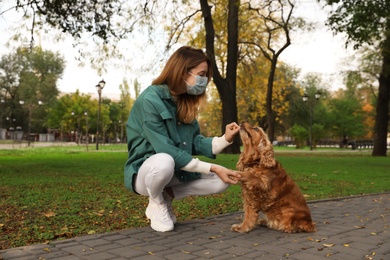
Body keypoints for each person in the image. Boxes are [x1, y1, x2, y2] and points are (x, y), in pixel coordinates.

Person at [124, 46, 241, 232]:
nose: (204, 81)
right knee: (164, 160)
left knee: (223, 180)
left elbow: (194, 142)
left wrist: (224, 139)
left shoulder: (185, 103)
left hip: (174, 171)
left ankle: (167, 195)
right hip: (145, 173)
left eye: (206, 77)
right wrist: (213, 167)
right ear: (182, 71)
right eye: (201, 74)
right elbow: (166, 149)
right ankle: (156, 201)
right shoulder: (150, 100)